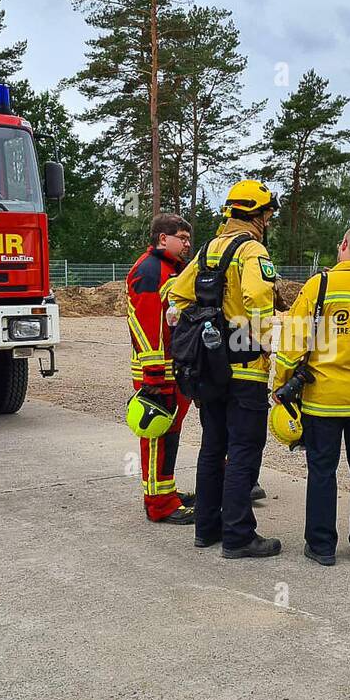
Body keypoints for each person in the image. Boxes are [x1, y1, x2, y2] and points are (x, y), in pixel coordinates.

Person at [167, 180, 281, 558]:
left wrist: (202, 324)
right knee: (244, 449)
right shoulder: (252, 249)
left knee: (213, 447)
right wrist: (263, 337)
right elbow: (258, 295)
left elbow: (176, 294)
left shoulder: (207, 250)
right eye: (268, 213)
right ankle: (238, 536)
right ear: (258, 215)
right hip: (246, 367)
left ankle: (207, 528)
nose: (268, 220)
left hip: (211, 370)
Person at [273, 225, 350, 565]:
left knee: (323, 470)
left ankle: (322, 546)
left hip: (322, 397)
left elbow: (293, 341)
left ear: (343, 245)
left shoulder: (320, 285)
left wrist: (281, 384)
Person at [126, 214, 195, 523]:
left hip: (170, 369)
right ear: (162, 238)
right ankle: (158, 504)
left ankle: (166, 491)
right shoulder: (151, 269)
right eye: (182, 237)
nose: (187, 244)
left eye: (188, 238)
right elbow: (145, 322)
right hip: (157, 373)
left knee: (169, 434)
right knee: (156, 434)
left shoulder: (170, 270)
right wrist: (154, 375)